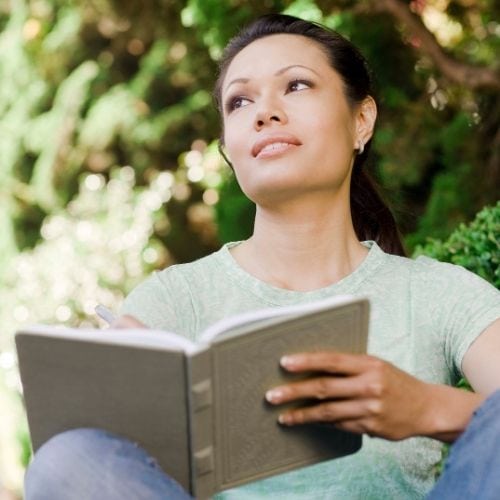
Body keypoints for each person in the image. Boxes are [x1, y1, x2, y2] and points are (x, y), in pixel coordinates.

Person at [25, 14, 500, 500]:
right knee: (67, 458)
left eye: (295, 85)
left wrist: (429, 409)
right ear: (230, 149)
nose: (263, 112)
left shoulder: (437, 294)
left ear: (361, 120)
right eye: (240, 101)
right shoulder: (174, 300)